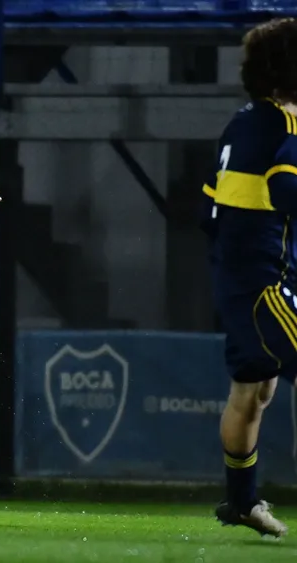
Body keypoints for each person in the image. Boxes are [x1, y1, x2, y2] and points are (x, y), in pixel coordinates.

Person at [201, 17, 297, 538]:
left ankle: (241, 502)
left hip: (236, 275)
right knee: (255, 391)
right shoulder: (287, 122)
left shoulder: (241, 121)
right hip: (266, 278)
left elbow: (207, 202)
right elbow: (287, 188)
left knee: (254, 391)